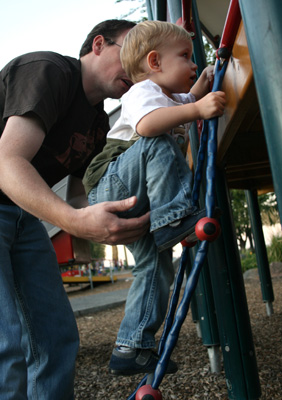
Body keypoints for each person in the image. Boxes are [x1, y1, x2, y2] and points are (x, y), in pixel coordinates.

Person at [0, 19, 150, 400]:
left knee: (56, 335)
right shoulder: (49, 71)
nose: (137, 68)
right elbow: (8, 162)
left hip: (22, 216)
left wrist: (107, 218)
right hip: (8, 195)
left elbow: (81, 192)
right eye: (130, 53)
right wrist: (76, 222)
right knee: (7, 344)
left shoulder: (98, 120)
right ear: (99, 44)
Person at [82, 20, 226, 376]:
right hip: (110, 184)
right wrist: (198, 108)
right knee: (158, 139)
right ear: (155, 63)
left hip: (136, 198)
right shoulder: (142, 92)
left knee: (155, 265)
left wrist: (201, 86)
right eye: (185, 56)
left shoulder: (169, 97)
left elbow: (186, 100)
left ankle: (132, 346)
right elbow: (148, 126)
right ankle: (175, 218)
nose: (192, 63)